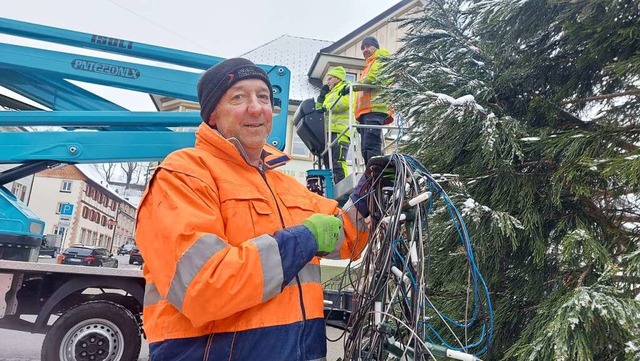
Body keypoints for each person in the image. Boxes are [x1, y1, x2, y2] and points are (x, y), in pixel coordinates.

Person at [135, 58, 373, 361]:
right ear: (212, 115)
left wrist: (369, 196)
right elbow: (202, 287)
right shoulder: (182, 175)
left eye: (263, 97)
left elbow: (346, 236)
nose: (256, 107)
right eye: (238, 97)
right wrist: (305, 239)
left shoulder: (285, 185)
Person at [354, 36, 393, 163]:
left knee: (371, 146)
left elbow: (373, 78)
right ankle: (371, 174)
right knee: (366, 148)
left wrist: (353, 86)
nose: (365, 50)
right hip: (366, 112)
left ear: (376, 47)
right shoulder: (369, 65)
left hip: (375, 109)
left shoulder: (381, 59)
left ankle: (375, 176)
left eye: (368, 46)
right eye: (362, 48)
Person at [315, 66, 352, 184]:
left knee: (338, 161)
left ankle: (342, 187)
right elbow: (318, 110)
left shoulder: (346, 88)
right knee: (328, 162)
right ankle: (332, 185)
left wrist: (326, 107)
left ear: (337, 78)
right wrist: (321, 97)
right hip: (330, 132)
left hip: (341, 131)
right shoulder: (329, 94)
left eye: (330, 79)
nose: (327, 82)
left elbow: (344, 104)